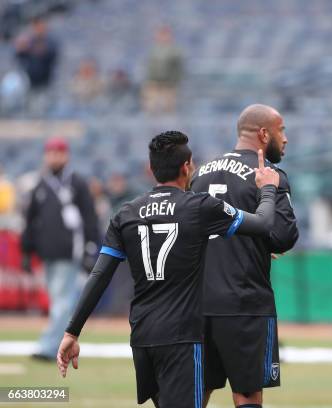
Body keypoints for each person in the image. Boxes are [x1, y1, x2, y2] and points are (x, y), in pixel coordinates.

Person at [56, 131, 280, 408]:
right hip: (181, 337)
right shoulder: (199, 207)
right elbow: (264, 224)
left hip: (142, 337)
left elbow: (99, 276)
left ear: (151, 169)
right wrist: (268, 188)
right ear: (187, 167)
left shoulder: (126, 214)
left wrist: (71, 332)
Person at [190, 104, 299, 408]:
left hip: (198, 304)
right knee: (247, 394)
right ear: (264, 134)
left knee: (196, 392)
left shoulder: (199, 173)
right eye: (282, 130)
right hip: (244, 302)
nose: (286, 138)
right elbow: (284, 237)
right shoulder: (268, 175)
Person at [21, 137, 99, 361]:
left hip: (69, 251)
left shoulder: (77, 183)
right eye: (51, 153)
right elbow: (31, 220)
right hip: (47, 253)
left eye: (59, 153)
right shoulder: (40, 185)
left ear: (66, 156)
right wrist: (27, 251)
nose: (54, 157)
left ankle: (48, 346)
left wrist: (90, 248)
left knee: (63, 300)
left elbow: (89, 218)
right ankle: (60, 344)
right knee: (58, 301)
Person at [142, 26, 184, 114]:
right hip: (154, 83)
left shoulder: (175, 51)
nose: (162, 37)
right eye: (160, 35)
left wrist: (174, 81)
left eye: (165, 35)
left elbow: (179, 68)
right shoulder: (153, 50)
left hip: (169, 85)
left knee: (168, 110)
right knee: (151, 107)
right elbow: (149, 68)